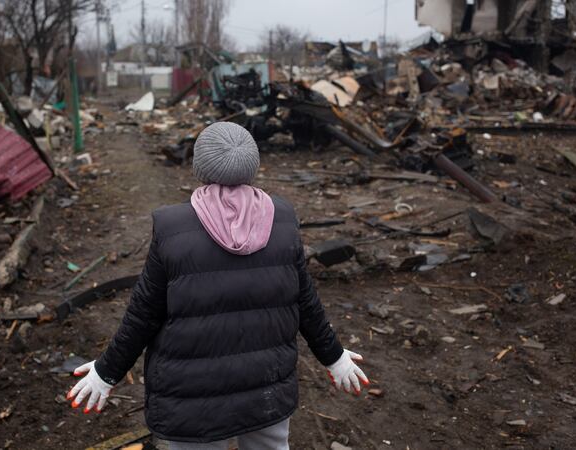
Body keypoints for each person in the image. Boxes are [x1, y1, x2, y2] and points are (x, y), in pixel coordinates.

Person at [66, 122, 369, 449]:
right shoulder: (282, 220)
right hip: (266, 389)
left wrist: (106, 372)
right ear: (253, 166)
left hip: (193, 400)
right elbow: (306, 303)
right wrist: (334, 358)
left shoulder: (172, 229)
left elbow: (143, 315)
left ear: (200, 168)